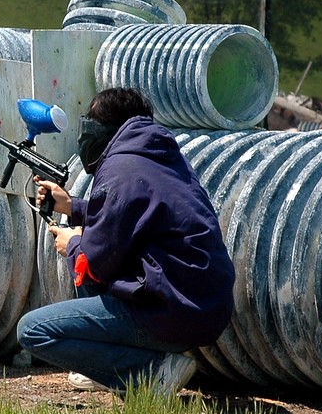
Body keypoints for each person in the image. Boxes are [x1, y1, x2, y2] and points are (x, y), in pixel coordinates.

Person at [16, 87, 235, 396]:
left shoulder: (120, 170)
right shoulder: (158, 156)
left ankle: (148, 373)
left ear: (102, 127)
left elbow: (93, 265)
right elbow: (129, 216)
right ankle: (112, 370)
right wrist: (73, 207)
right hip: (203, 307)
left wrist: (72, 243)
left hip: (173, 310)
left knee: (34, 331)